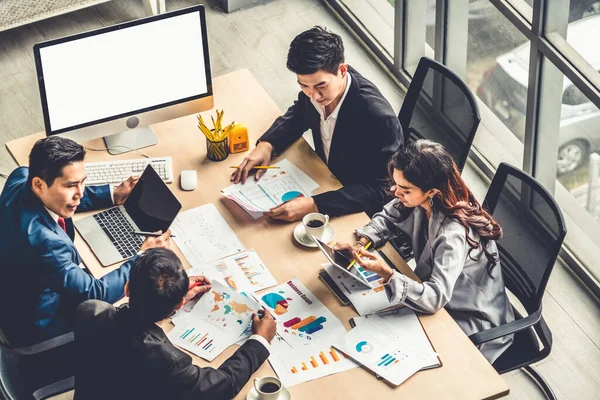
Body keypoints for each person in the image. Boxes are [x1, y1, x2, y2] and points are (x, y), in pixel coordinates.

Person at [335, 139, 514, 363]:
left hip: (468, 316)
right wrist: (361, 243)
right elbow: (388, 217)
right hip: (433, 294)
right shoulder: (421, 199)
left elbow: (435, 298)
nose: (394, 191)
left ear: (431, 191)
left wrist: (388, 274)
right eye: (396, 184)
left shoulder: (453, 236)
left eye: (404, 189)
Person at [0, 136, 172, 347]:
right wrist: (142, 258)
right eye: (71, 185)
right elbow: (95, 293)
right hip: (40, 323)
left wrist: (112, 194)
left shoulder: (21, 177)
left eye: (82, 182)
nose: (80, 193)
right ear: (39, 185)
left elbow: (60, 198)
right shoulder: (44, 243)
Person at [231, 26, 403, 221]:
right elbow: (300, 112)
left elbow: (382, 189)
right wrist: (267, 145)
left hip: (353, 205)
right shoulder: (317, 88)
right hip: (323, 177)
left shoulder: (379, 119)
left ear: (343, 70)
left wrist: (315, 205)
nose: (313, 95)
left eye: (321, 86)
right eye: (304, 86)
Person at [74, 248, 276, 400]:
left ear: (127, 288)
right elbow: (223, 386)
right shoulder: (168, 361)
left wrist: (169, 294)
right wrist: (259, 342)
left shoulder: (91, 310)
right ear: (180, 304)